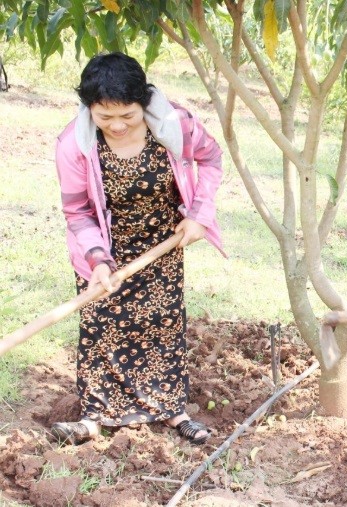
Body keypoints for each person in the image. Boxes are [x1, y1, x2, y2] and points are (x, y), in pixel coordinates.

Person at [50, 52, 225, 446]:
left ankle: (173, 411)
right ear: (89, 108)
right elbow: (77, 212)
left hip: (162, 241)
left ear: (143, 102)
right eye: (104, 116)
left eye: (127, 115)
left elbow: (211, 158)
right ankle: (94, 419)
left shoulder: (175, 124)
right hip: (102, 248)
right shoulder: (73, 144)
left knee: (162, 325)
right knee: (101, 329)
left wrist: (199, 213)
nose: (116, 125)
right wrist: (98, 261)